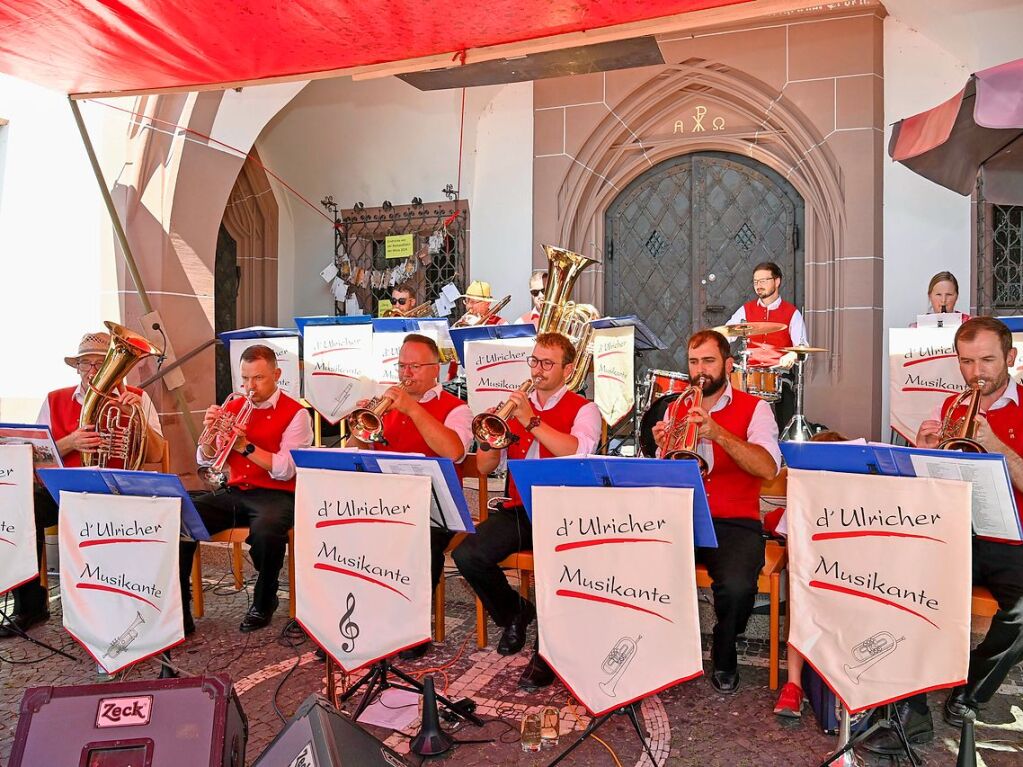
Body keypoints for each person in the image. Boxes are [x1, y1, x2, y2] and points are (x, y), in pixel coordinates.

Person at [862, 316, 1023, 754]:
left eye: (988, 360)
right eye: (967, 362)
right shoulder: (952, 408)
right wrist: (923, 451)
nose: (977, 373)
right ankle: (908, 719)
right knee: (907, 589)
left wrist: (998, 449)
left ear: (1009, 358)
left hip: (1013, 538)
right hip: (953, 530)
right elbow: (929, 483)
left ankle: (969, 691)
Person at [453, 332, 601, 689]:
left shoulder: (585, 409)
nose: (537, 369)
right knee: (468, 555)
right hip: (521, 508)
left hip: (567, 512)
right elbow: (487, 468)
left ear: (568, 369)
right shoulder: (512, 406)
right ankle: (515, 612)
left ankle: (547, 652)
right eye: (534, 361)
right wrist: (490, 438)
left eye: (547, 363)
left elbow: (577, 451)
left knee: (556, 566)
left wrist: (532, 421)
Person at [0, 330, 165, 638]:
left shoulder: (137, 399)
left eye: (99, 364)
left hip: (115, 492)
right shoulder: (56, 399)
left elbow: (156, 453)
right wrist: (70, 442)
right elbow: (33, 454)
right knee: (20, 509)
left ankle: (119, 603)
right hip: (63, 491)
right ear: (76, 367)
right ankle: (30, 605)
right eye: (85, 363)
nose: (91, 371)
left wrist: (136, 417)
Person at [652, 329, 781, 694]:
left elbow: (768, 468)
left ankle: (725, 644)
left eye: (708, 361)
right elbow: (663, 475)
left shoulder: (756, 409)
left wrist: (719, 433)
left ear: (727, 365)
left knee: (739, 587)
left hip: (733, 519)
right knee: (640, 565)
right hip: (681, 514)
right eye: (693, 363)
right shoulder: (674, 406)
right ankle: (658, 647)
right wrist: (663, 447)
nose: (700, 371)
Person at [348, 334, 472, 659]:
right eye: (402, 365)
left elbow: (454, 451)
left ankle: (413, 627)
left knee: (421, 540)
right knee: (349, 534)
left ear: (437, 370)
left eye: (415, 366)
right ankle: (357, 618)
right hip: (387, 503)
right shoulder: (385, 405)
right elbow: (357, 454)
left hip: (435, 507)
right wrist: (359, 430)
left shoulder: (457, 409)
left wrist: (414, 410)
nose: (407, 373)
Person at [181, 344, 313, 633]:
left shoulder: (296, 415)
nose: (249, 387)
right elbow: (207, 458)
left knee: (267, 531)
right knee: (181, 519)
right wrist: (210, 434)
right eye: (244, 379)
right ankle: (180, 608)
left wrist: (245, 446)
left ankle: (265, 601)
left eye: (258, 378)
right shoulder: (234, 406)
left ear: (277, 374)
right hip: (237, 490)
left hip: (278, 494)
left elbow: (285, 468)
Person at [725, 262, 808, 432]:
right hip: (748, 373)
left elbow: (802, 347)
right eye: (756, 282)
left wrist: (792, 355)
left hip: (779, 373)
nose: (758, 286)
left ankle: (785, 443)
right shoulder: (745, 310)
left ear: (777, 281)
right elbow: (726, 334)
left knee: (785, 400)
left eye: (763, 280)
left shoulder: (792, 313)